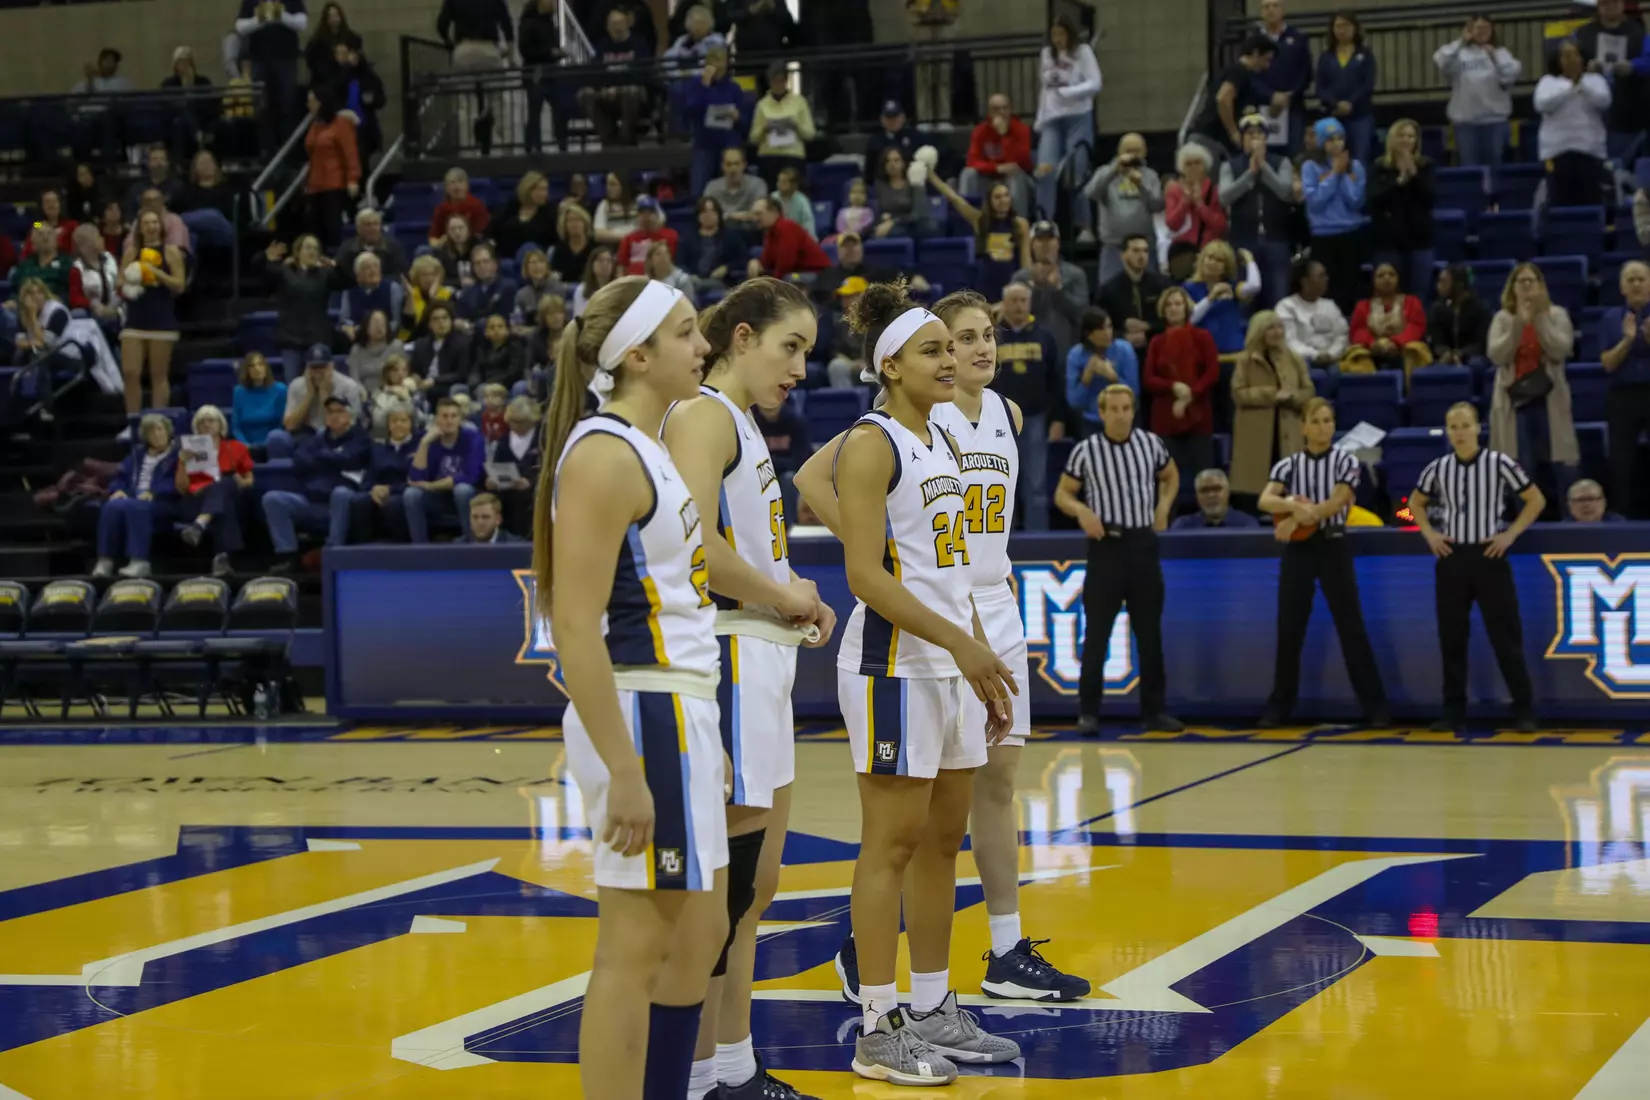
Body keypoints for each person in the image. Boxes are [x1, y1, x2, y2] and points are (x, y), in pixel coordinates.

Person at [789, 280, 1020, 1084]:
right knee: (888, 844)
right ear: (890, 366)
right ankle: (877, 1023)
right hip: (892, 664)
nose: (952, 360)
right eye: (935, 350)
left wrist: (984, 664)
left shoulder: (946, 440)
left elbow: (953, 572)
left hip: (953, 664)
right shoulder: (870, 443)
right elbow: (864, 576)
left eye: (953, 348)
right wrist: (963, 646)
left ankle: (932, 1006)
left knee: (940, 845)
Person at [530, 277, 729, 1100]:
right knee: (633, 948)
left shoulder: (646, 447)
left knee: (701, 929)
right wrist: (628, 768)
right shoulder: (605, 454)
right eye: (687, 333)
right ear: (637, 356)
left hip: (681, 705)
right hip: (644, 709)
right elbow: (573, 626)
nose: (702, 346)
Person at [657, 279, 830, 1100]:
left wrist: (794, 588)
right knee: (721, 895)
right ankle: (696, 1078)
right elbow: (694, 544)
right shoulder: (702, 415)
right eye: (789, 347)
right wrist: (779, 592)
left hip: (760, 660)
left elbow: (746, 551)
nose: (800, 366)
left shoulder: (744, 426)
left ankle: (733, 1067)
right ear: (739, 336)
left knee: (754, 890)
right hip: (725, 659)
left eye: (807, 352)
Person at [1054, 384, 1182, 733]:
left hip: (1143, 544)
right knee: (1097, 634)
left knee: (1149, 634)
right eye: (1114, 408)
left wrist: (1163, 506)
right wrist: (1081, 510)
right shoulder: (1086, 450)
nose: (1122, 414)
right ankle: (1089, 711)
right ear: (1102, 412)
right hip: (1106, 547)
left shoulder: (1150, 444)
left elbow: (1171, 476)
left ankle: (1155, 711)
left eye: (1127, 408)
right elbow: (1063, 493)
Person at [1409, 401, 1542, 732]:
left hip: (1489, 556)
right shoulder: (1437, 467)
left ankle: (1523, 709)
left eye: (1465, 425)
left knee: (1505, 636)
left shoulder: (1499, 463)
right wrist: (1429, 534)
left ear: (1478, 428)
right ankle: (1453, 711)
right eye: (1453, 427)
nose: (1459, 432)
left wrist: (1510, 534)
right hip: (1452, 557)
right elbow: (1414, 503)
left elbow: (1535, 499)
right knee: (1452, 637)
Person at [1258, 397, 1388, 727]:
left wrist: (1298, 518)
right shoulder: (1287, 465)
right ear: (1303, 427)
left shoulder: (1346, 461)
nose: (1323, 427)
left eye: (1328, 420)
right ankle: (1279, 707)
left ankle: (1375, 707)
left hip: (1333, 545)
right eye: (1316, 421)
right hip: (1299, 552)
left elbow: (1338, 501)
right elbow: (1265, 499)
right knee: (1289, 629)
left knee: (1351, 627)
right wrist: (1290, 505)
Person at [1487, 263, 1579, 509]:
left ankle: (1566, 521)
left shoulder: (1556, 315)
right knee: (1520, 465)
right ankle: (1524, 521)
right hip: (1514, 401)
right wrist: (1519, 323)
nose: (1527, 286)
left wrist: (1538, 319)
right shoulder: (1503, 318)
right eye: (1522, 281)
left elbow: (1561, 349)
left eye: (1532, 281)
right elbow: (1497, 355)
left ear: (1541, 286)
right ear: (1513, 288)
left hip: (1549, 398)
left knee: (1560, 462)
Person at [263, 396, 370, 569]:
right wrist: (332, 459)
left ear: (350, 416)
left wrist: (321, 457)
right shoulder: (318, 439)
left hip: (341, 503)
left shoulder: (360, 438)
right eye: (330, 412)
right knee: (273, 499)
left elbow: (350, 458)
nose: (334, 416)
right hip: (311, 500)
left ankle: (333, 552)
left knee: (341, 493)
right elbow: (300, 459)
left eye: (339, 411)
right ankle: (288, 556)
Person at [994, 283, 1065, 531]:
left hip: (1035, 418)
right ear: (1004, 304)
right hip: (998, 422)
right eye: (1013, 300)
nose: (1019, 305)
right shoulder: (993, 337)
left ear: (1030, 303)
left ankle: (1038, 542)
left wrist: (1058, 419)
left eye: (1023, 300)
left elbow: (1056, 380)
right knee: (1002, 483)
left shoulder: (1044, 337)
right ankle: (1004, 542)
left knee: (1036, 485)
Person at [1144, 286, 1220, 509]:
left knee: (1205, 476)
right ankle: (1165, 525)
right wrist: (1173, 386)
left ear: (1186, 307)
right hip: (1166, 418)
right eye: (1169, 304)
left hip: (1198, 416)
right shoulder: (1157, 342)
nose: (1174, 308)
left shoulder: (1202, 337)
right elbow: (1149, 379)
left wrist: (1190, 395)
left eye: (1178, 303)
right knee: (1167, 479)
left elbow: (1211, 373)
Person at [1231, 310, 1314, 507]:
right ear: (1259, 332)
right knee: (1255, 488)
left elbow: (1309, 391)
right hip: (1255, 432)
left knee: (1288, 484)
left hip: (1289, 429)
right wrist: (1272, 394)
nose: (1277, 332)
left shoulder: (1294, 358)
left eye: (1279, 327)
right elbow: (1239, 393)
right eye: (1271, 328)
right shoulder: (1245, 360)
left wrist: (1293, 396)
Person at [1034, 14, 1101, 234]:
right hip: (1051, 119)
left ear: (1070, 34)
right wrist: (1039, 119)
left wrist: (1069, 92)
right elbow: (1045, 89)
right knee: (1045, 170)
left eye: (1061, 34)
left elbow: (1095, 83)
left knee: (1077, 171)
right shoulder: (1046, 54)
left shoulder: (1083, 52)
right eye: (1053, 35)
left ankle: (1084, 226)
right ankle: (1044, 222)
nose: (1057, 39)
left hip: (1078, 116)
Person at [1219, 114, 1295, 309]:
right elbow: (1225, 196)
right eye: (1249, 134)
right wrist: (1250, 174)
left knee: (1278, 298)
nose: (1254, 138)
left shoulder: (1281, 162)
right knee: (1245, 298)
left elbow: (1285, 192)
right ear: (1242, 139)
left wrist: (1264, 167)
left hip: (1276, 239)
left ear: (1266, 138)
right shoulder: (1230, 165)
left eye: (1259, 134)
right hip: (1243, 240)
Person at [92, 413, 180, 580]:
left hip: (164, 502)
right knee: (112, 505)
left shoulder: (178, 454)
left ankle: (140, 561)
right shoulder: (137, 454)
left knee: (136, 506)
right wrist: (118, 490)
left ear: (168, 431)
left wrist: (154, 492)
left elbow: (177, 482)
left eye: (160, 430)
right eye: (151, 432)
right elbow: (120, 476)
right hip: (134, 498)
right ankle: (105, 560)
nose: (157, 434)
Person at [119, 210, 185, 418]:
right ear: (140, 228)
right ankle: (133, 421)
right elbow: (119, 281)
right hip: (135, 317)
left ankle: (157, 421)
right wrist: (132, 280)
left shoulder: (171, 251)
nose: (151, 226)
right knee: (130, 373)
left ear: (161, 226)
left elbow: (179, 285)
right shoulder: (132, 251)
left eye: (155, 222)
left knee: (158, 375)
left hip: (161, 317)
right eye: (146, 223)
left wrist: (155, 273)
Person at [174, 404, 252, 577]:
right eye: (202, 422)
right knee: (223, 505)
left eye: (211, 421)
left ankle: (199, 525)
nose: (207, 425)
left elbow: (249, 480)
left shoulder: (236, 447)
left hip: (229, 496)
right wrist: (182, 462)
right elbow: (181, 488)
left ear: (220, 425)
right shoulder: (187, 451)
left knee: (224, 485)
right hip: (196, 501)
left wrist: (241, 482)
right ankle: (221, 560)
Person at [1434, 15, 1520, 170]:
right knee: (1469, 169)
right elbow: (1441, 59)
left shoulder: (1502, 53)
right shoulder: (1459, 54)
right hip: (1466, 123)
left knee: (1495, 169)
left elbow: (1510, 76)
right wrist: (1461, 41)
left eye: (1486, 28)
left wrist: (1495, 57)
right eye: (1477, 28)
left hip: (1495, 121)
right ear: (1469, 30)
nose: (1481, 32)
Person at [1301, 117, 1367, 315]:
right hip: (1323, 236)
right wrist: (1333, 174)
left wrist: (1343, 173)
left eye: (1340, 138)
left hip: (1350, 234)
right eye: (1330, 139)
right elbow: (1315, 201)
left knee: (1350, 286)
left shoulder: (1355, 167)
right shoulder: (1310, 167)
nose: (1336, 143)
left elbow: (1356, 201)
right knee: (1325, 288)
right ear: (1321, 142)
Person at [1367, 119, 1435, 309]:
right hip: (1387, 242)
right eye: (1402, 135)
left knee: (1418, 296)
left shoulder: (1426, 166)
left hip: (1420, 241)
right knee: (1389, 295)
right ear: (1392, 139)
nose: (1406, 140)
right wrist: (1399, 182)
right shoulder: (1379, 167)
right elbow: (1373, 200)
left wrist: (1414, 177)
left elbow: (1431, 199)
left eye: (1411, 136)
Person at [1535, 40, 1612, 208]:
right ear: (1557, 60)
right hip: (1557, 152)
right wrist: (1570, 87)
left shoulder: (1595, 80)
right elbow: (1542, 104)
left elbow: (1603, 101)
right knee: (1560, 202)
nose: (1571, 60)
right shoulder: (1548, 82)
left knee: (1590, 202)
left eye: (1575, 55)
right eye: (1566, 56)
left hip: (1590, 151)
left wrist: (1581, 84)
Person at [1600, 261, 1650, 518]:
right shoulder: (1610, 318)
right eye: (1631, 280)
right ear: (1622, 287)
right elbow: (1607, 363)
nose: (1636, 284)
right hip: (1622, 395)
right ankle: (1623, 519)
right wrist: (1628, 341)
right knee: (1622, 461)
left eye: (1641, 279)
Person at [929, 178, 1032, 302]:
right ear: (989, 201)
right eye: (998, 197)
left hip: (1011, 281)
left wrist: (1028, 284)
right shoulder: (980, 221)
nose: (1003, 200)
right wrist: (930, 174)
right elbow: (954, 198)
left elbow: (1026, 260)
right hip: (987, 282)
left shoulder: (1020, 224)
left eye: (1006, 196)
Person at [1086, 133, 1166, 287]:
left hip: (1144, 245)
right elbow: (1091, 193)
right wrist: (1114, 170)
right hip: (1113, 247)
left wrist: (1141, 185)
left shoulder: (1150, 175)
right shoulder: (1105, 172)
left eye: (1137, 150)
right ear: (1119, 152)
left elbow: (1157, 205)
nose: (1132, 155)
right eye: (1128, 150)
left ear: (1144, 153)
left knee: (1148, 289)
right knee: (1109, 290)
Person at [1574, 0, 1648, 164]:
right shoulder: (1582, 34)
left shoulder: (1638, 32)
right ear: (1598, 7)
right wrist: (1586, 67)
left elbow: (1648, 61)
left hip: (1628, 115)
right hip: (1589, 118)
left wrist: (1633, 66)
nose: (1611, 6)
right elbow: (1565, 62)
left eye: (1615, 2)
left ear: (1622, 5)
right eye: (1606, 3)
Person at [436, 0, 514, 154]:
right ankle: (506, 147)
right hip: (489, 49)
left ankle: (468, 149)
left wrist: (449, 42)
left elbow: (441, 24)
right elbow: (507, 25)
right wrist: (509, 54)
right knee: (498, 101)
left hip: (464, 49)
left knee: (466, 104)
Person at [405, 396, 485, 542]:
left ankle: (473, 544)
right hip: (437, 497)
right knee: (411, 494)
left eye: (454, 416)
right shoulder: (426, 438)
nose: (449, 420)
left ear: (460, 419)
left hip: (467, 496)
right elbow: (416, 478)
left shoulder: (473, 438)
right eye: (445, 416)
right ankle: (420, 550)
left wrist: (431, 486)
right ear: (437, 419)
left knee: (462, 489)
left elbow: (470, 476)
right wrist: (424, 444)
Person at [260, 236, 337, 382]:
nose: (312, 251)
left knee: (319, 385)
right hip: (291, 338)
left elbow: (348, 279)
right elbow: (259, 269)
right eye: (308, 247)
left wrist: (334, 264)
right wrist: (266, 257)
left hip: (317, 338)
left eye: (316, 248)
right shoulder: (284, 271)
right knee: (293, 386)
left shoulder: (326, 274)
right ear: (298, 251)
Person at [236, 0, 309, 148]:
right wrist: (260, 20)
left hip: (285, 59)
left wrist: (280, 16)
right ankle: (266, 151)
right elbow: (240, 27)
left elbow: (303, 23)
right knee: (261, 107)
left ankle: (287, 151)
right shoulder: (251, 1)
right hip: (259, 59)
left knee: (287, 105)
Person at [1190, 33, 1276, 156]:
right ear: (1256, 53)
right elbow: (1223, 99)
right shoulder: (1239, 72)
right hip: (1209, 139)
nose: (1267, 66)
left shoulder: (1229, 72)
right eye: (1266, 60)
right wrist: (1234, 132)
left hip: (1211, 139)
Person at [1012, 221, 1088, 353]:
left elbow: (1082, 314)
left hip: (1066, 348)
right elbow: (1015, 316)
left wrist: (1058, 289)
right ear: (1032, 245)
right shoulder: (1021, 278)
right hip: (1030, 350)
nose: (1045, 244)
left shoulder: (1076, 274)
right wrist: (1035, 287)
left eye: (1050, 239)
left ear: (1058, 243)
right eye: (1040, 240)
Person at [1277, 258, 1350, 391]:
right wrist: (1315, 355)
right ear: (1305, 281)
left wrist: (1331, 354)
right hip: (1301, 360)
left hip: (1331, 359)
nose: (1326, 279)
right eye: (1321, 276)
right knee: (1306, 370)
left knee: (1336, 372)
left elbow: (1342, 336)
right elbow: (1289, 341)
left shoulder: (1330, 306)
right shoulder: (1286, 306)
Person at [1097, 234, 1173, 359]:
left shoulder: (1162, 285)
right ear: (1123, 255)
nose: (1141, 256)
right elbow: (1099, 326)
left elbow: (1174, 321)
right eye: (1136, 251)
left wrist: (1148, 327)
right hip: (1121, 352)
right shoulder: (1109, 290)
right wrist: (1123, 336)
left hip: (1159, 350)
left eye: (1145, 251)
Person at [301, 88, 359, 252]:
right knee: (314, 225)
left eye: (311, 101)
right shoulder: (315, 124)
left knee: (332, 225)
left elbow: (350, 153)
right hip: (315, 183)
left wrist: (352, 179)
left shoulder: (341, 124)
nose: (308, 105)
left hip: (334, 182)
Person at [1316, 11, 1376, 166]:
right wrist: (1336, 104)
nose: (1342, 30)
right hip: (1333, 117)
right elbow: (1320, 88)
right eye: (1338, 26)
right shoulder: (1326, 57)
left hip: (1360, 115)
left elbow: (1368, 84)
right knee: (1332, 161)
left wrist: (1351, 103)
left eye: (1346, 25)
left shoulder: (1365, 54)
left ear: (1355, 28)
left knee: (1359, 159)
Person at [685, 45, 746, 199]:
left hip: (728, 144)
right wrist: (704, 86)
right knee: (698, 191)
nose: (717, 65)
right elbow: (691, 110)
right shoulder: (696, 84)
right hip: (704, 144)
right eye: (713, 61)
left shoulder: (734, 88)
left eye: (720, 61)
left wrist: (737, 116)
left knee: (731, 191)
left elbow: (745, 120)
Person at [1067, 307, 1139, 436]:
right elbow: (1073, 401)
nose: (1108, 333)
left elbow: (1134, 392)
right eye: (1101, 329)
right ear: (1089, 334)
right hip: (1091, 422)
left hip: (1122, 418)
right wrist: (1086, 378)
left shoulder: (1124, 350)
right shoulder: (1076, 355)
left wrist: (1113, 378)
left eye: (1109, 327)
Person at [1186, 239, 1260, 361]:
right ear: (1202, 259)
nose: (1213, 263)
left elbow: (1254, 286)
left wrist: (1249, 260)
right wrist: (1211, 298)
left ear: (1226, 267)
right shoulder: (1189, 288)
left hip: (1235, 352)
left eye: (1219, 261)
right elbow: (1190, 318)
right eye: (1210, 258)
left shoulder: (1231, 287)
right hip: (1205, 354)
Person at [963, 93, 1035, 218]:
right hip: (989, 177)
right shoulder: (980, 130)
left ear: (1010, 110)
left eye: (1004, 108)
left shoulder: (1022, 129)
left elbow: (1022, 162)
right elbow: (972, 161)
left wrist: (1004, 136)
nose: (1001, 113)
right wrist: (996, 168)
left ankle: (1018, 225)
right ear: (989, 113)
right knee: (968, 173)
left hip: (1018, 180)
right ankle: (968, 221)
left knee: (1015, 175)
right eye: (996, 109)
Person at [353, 404, 418, 541]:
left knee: (394, 504)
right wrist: (373, 489)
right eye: (394, 421)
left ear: (411, 423)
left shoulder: (419, 447)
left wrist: (390, 489)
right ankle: (361, 549)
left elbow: (417, 479)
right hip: (378, 491)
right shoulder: (378, 448)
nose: (398, 424)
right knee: (358, 501)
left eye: (403, 420)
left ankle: (400, 547)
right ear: (388, 425)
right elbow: (368, 477)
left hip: (404, 491)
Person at [581, 9, 646, 146]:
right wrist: (602, 88)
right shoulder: (602, 46)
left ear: (627, 24)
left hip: (632, 91)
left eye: (620, 23)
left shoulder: (639, 44)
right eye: (613, 24)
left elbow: (641, 73)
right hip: (607, 92)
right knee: (584, 95)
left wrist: (617, 87)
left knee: (631, 92)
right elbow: (595, 71)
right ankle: (608, 138)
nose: (617, 27)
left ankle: (626, 138)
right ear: (607, 27)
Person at [1256, 0, 1312, 153]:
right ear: (1261, 12)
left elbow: (1305, 73)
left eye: (1275, 6)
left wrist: (1289, 95)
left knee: (1296, 154)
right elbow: (1250, 76)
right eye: (1266, 7)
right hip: (1263, 108)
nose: (1271, 10)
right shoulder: (1253, 41)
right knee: (1265, 155)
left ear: (1283, 9)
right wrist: (1270, 96)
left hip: (1293, 106)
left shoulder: (1298, 38)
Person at [280, 343, 366, 441]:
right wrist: (309, 395)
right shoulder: (296, 385)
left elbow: (351, 426)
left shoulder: (348, 386)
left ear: (332, 366)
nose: (318, 372)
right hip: (306, 435)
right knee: (278, 437)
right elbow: (289, 425)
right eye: (314, 367)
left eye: (322, 367)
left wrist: (325, 396)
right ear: (306, 368)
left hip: (339, 436)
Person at [750, 61, 815, 186]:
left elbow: (810, 134)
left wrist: (796, 126)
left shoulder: (800, 102)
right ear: (769, 82)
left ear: (786, 81)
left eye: (781, 80)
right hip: (769, 157)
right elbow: (753, 138)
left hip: (793, 157)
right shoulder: (762, 105)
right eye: (774, 81)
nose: (778, 84)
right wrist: (764, 129)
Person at [519, 0, 570, 156]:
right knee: (535, 110)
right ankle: (533, 147)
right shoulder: (529, 23)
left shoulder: (549, 22)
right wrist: (549, 52)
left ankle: (562, 143)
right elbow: (525, 49)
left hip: (551, 71)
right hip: (536, 71)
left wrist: (557, 53)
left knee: (560, 106)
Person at [483, 394, 539, 534]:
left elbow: (548, 469)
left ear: (532, 420)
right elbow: (496, 466)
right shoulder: (504, 439)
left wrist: (531, 482)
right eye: (512, 421)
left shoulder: (543, 438)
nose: (514, 426)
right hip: (506, 489)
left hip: (533, 491)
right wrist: (492, 480)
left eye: (519, 422)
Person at [1164, 144, 1228, 255]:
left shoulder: (1215, 190)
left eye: (1197, 163)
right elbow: (1172, 224)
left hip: (1209, 249)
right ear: (1182, 168)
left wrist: (1200, 205)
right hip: (1183, 252)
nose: (1193, 167)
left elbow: (1220, 225)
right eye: (1188, 164)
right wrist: (1185, 202)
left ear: (1205, 166)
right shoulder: (1174, 190)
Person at [747, 198, 830, 281]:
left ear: (774, 212)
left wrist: (772, 282)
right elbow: (767, 261)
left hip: (816, 273)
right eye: (754, 214)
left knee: (787, 280)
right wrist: (757, 263)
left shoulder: (786, 227)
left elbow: (786, 263)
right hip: (794, 272)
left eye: (759, 214)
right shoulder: (770, 232)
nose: (755, 218)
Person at [67, 223, 122, 344]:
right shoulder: (77, 268)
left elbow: (121, 284)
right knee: (78, 315)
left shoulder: (110, 259)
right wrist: (93, 304)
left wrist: (114, 305)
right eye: (98, 237)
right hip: (92, 312)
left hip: (115, 308)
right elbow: (74, 298)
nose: (102, 239)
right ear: (86, 244)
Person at [1428, 264, 1490, 366]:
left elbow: (1481, 343)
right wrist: (1446, 353)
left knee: (1476, 363)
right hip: (1445, 356)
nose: (1438, 286)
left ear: (1459, 284)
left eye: (1443, 281)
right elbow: (1436, 340)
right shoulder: (1437, 309)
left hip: (1472, 356)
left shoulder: (1481, 308)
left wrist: (1461, 354)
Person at [678, 197, 742, 294]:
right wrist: (689, 274)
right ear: (698, 216)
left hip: (720, 281)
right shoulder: (688, 238)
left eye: (712, 211)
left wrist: (727, 267)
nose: (709, 215)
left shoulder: (730, 236)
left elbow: (742, 259)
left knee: (689, 285)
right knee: (687, 283)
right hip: (693, 278)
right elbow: (680, 263)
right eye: (704, 212)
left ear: (718, 214)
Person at [408, 303, 472, 399]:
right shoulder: (421, 344)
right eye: (435, 319)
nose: (441, 322)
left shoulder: (463, 343)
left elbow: (461, 374)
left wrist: (435, 381)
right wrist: (415, 377)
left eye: (445, 318)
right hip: (423, 384)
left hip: (446, 386)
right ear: (429, 324)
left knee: (431, 392)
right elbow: (415, 369)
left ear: (451, 321)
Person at [338, 252, 405, 342]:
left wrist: (377, 331)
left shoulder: (393, 288)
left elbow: (396, 321)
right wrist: (351, 328)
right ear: (358, 276)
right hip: (358, 340)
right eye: (367, 268)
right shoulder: (349, 291)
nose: (373, 270)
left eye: (376, 266)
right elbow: (345, 320)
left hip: (386, 340)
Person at [491, 171, 558, 262]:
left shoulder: (551, 211)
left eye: (546, 189)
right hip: (508, 261)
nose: (545, 194)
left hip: (538, 263)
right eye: (540, 189)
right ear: (528, 190)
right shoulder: (509, 207)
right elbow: (494, 231)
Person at [176, 151, 236, 251]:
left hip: (223, 231)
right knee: (190, 236)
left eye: (210, 162)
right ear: (195, 169)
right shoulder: (188, 191)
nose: (207, 165)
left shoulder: (227, 188)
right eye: (203, 163)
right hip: (200, 234)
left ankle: (174, 220)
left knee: (213, 215)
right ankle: (189, 264)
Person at [703, 147, 767, 240]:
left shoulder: (758, 184)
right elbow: (706, 215)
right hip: (719, 235)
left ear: (744, 165)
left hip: (749, 235)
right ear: (722, 166)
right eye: (729, 164)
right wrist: (742, 216)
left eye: (737, 164)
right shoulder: (712, 187)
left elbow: (758, 215)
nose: (733, 169)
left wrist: (728, 216)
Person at [872, 148, 934, 243]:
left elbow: (919, 214)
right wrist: (882, 218)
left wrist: (893, 222)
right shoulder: (880, 186)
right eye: (888, 161)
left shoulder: (914, 183)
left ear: (903, 163)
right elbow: (875, 211)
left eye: (896, 160)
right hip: (885, 225)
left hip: (910, 226)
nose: (892, 164)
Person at [335, 208, 408, 285]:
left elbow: (400, 274)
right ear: (358, 228)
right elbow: (342, 275)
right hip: (356, 289)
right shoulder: (347, 248)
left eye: (376, 224)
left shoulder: (394, 246)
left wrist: (376, 281)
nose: (373, 228)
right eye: (368, 225)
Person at [454, 243, 518, 328]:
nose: (482, 266)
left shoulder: (508, 286)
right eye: (477, 263)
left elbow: (506, 317)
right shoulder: (468, 293)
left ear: (495, 264)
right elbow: (458, 319)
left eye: (485, 261)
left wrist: (470, 325)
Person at [232, 352, 286, 452]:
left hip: (271, 445)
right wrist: (245, 445)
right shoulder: (238, 391)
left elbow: (280, 425)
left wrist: (265, 445)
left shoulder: (280, 390)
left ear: (266, 368)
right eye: (252, 366)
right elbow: (236, 427)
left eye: (260, 364)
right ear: (247, 371)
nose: (257, 369)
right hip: (246, 446)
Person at [1172, 468, 1260, 529]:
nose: (1211, 495)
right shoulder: (1182, 526)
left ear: (1227, 492)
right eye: (1204, 490)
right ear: (1197, 496)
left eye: (1217, 489)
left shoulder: (1247, 525)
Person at [426, 166, 490, 246]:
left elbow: (482, 236)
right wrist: (439, 243)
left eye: (460, 182)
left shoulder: (477, 206)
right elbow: (433, 237)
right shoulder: (441, 209)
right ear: (446, 188)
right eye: (452, 183)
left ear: (467, 186)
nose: (457, 187)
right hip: (447, 250)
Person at [617, 197, 679, 277]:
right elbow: (620, 266)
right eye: (642, 213)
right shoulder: (628, 239)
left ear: (657, 215)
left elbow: (671, 262)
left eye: (650, 212)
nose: (646, 216)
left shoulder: (670, 236)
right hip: (633, 282)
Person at [400, 253, 455, 341]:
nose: (429, 278)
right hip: (414, 340)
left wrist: (432, 298)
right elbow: (408, 326)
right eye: (424, 275)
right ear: (417, 277)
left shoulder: (447, 295)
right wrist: (410, 298)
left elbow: (448, 324)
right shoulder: (411, 294)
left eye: (432, 274)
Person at [862, 101, 919, 185]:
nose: (892, 121)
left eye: (895, 117)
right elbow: (869, 172)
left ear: (903, 117)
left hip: (911, 185)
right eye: (888, 117)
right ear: (882, 119)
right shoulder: (874, 142)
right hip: (883, 187)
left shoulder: (915, 137)